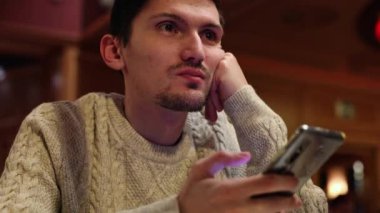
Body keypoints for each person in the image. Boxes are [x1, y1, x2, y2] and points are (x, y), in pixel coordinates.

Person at [0, 0, 328, 212]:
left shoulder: (226, 136)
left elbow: (309, 208)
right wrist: (179, 210)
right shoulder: (55, 129)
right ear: (116, 51)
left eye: (210, 35)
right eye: (170, 27)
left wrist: (247, 104)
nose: (197, 51)